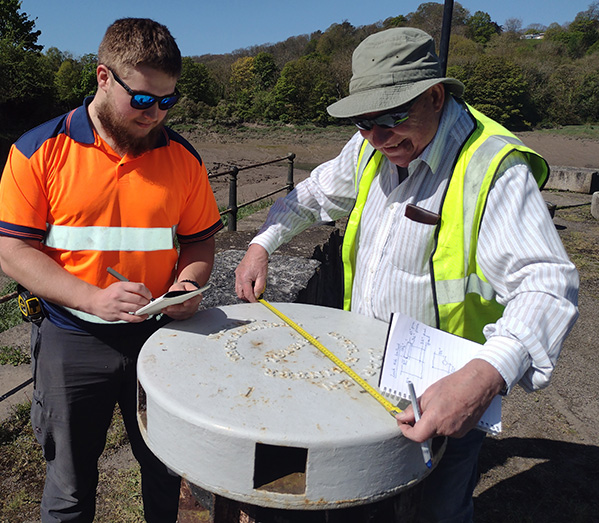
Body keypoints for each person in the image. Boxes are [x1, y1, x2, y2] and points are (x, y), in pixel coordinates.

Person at [234, 27, 578, 522]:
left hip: (446, 386)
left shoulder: (491, 168)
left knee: (439, 509)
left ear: (435, 96)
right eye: (361, 121)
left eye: (392, 117)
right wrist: (261, 243)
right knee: (357, 501)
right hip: (366, 373)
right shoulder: (371, 146)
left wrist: (482, 377)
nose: (376, 137)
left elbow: (547, 284)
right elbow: (311, 195)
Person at [0, 18, 223, 523]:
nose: (155, 113)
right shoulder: (38, 150)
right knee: (70, 484)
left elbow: (201, 238)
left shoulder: (182, 157)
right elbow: (15, 253)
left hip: (159, 337)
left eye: (168, 101)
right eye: (142, 99)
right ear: (102, 77)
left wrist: (187, 283)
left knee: (164, 469)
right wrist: (91, 298)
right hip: (72, 338)